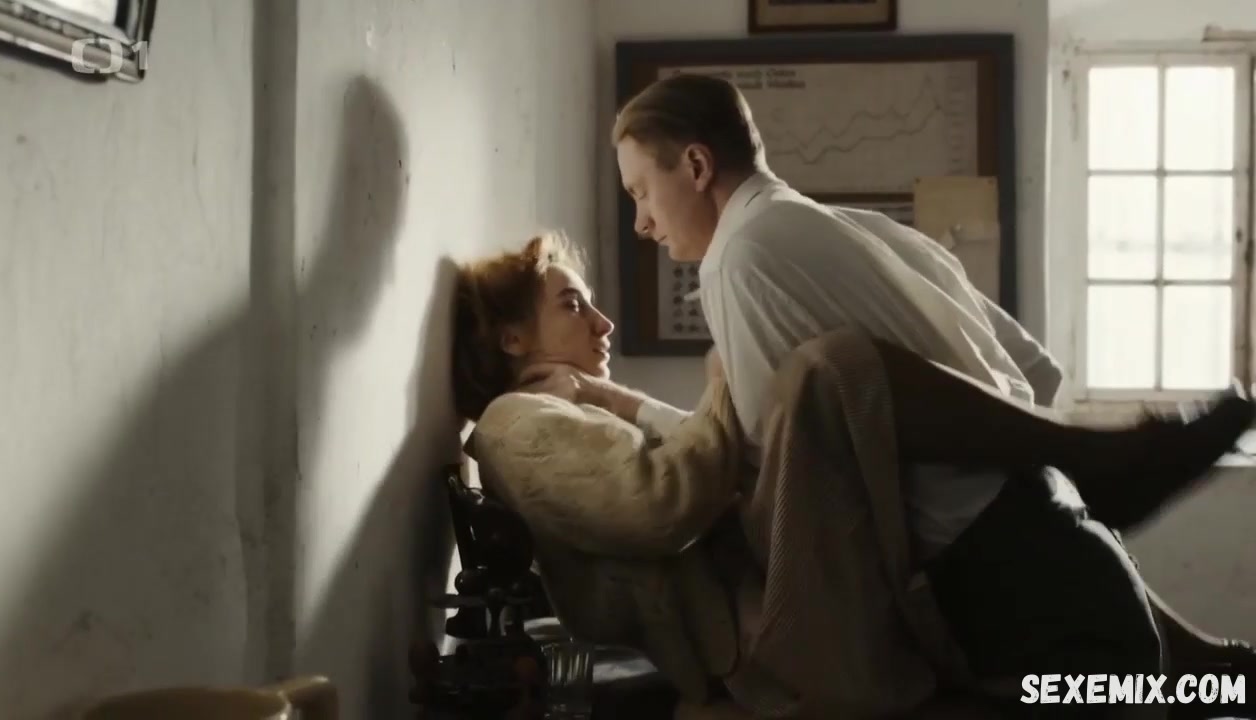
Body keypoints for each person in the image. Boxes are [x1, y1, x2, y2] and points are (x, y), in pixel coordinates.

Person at [604, 73, 1253, 717]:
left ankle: (1104, 461)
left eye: (641, 192)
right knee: (1220, 683)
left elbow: (778, 471)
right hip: (1064, 540)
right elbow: (1031, 368)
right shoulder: (846, 226)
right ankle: (1102, 458)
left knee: (835, 369)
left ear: (696, 166)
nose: (641, 222)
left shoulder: (737, 257)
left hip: (1005, 592)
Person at [452, 232, 1253, 719]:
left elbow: (684, 464)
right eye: (573, 305)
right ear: (514, 339)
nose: (602, 321)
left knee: (1001, 493)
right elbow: (666, 501)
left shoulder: (571, 407)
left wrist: (627, 398)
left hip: (767, 592)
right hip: (759, 641)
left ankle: (1217, 667)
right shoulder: (516, 424)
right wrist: (727, 372)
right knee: (831, 372)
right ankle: (1092, 463)